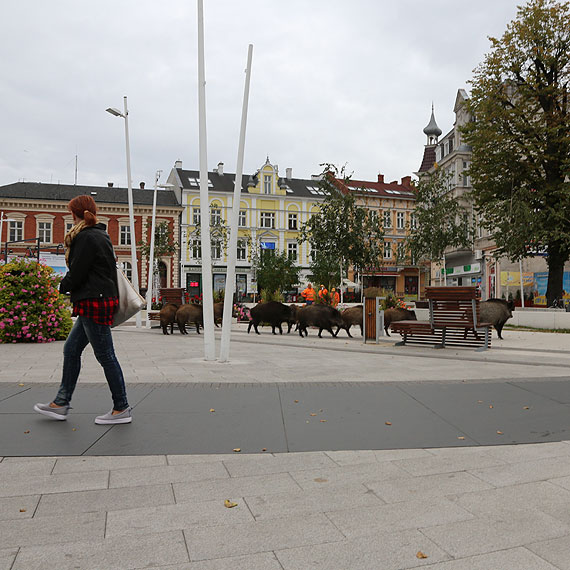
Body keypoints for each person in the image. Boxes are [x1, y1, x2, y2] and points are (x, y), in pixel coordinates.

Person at [34, 195, 132, 425]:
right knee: (71, 349)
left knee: (106, 355)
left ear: (74, 214)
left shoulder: (86, 237)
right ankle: (61, 402)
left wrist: (61, 286)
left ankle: (122, 407)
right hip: (96, 300)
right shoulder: (100, 233)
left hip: (93, 302)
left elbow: (78, 272)